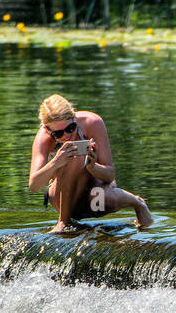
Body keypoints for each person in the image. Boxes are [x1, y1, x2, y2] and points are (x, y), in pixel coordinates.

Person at [28, 94, 153, 231]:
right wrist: (57, 162)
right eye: (58, 134)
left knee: (102, 197)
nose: (66, 136)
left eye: (70, 129)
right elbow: (34, 186)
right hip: (66, 201)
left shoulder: (92, 122)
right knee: (72, 156)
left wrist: (92, 167)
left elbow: (109, 175)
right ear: (47, 129)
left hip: (95, 201)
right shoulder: (43, 138)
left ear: (74, 118)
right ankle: (63, 221)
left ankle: (137, 202)